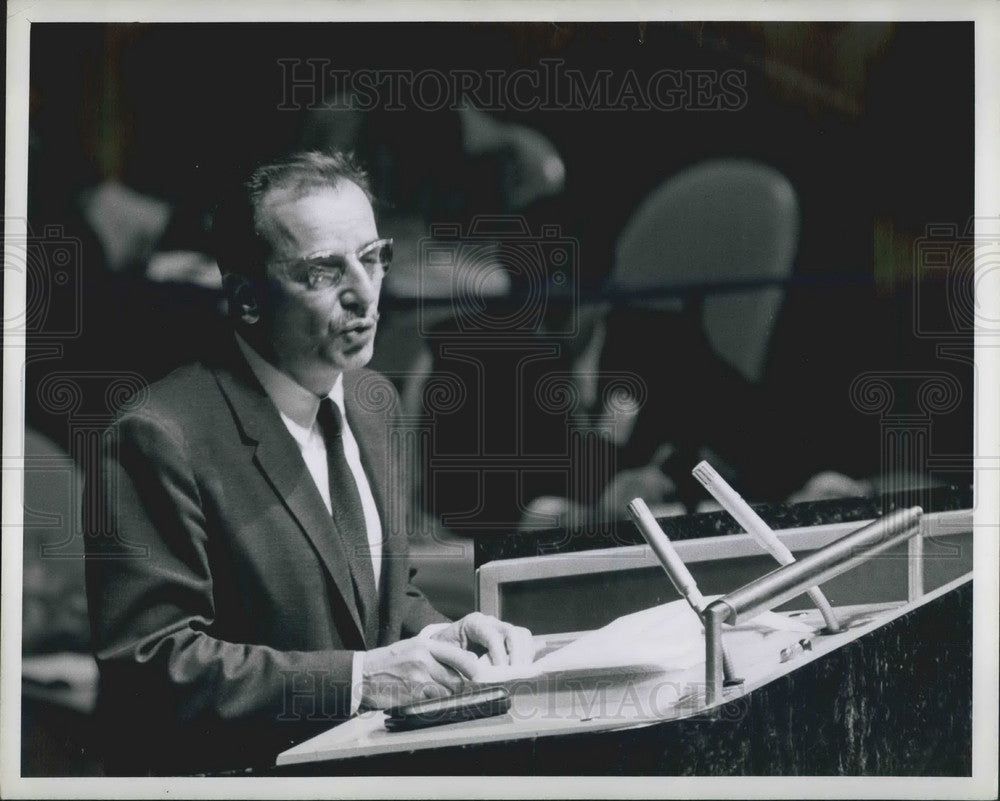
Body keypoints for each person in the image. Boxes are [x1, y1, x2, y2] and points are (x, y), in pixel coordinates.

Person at [83, 151, 533, 774]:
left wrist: (439, 636)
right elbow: (154, 666)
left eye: (373, 257)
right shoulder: (159, 436)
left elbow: (378, 598)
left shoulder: (374, 400)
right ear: (245, 298)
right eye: (324, 272)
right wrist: (356, 680)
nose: (365, 293)